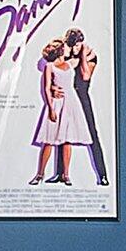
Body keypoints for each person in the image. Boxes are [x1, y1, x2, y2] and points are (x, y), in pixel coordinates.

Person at [29, 39, 90, 183]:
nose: (67, 49)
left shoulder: (70, 64)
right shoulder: (50, 66)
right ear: (60, 50)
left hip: (71, 102)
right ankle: (40, 174)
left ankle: (66, 175)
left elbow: (83, 63)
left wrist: (81, 49)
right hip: (57, 104)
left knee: (68, 140)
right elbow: (46, 87)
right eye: (65, 48)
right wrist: (50, 107)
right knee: (49, 140)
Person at [59, 26, 106, 183]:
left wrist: (83, 56)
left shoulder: (90, 56)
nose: (76, 48)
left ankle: (102, 175)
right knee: (62, 134)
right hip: (66, 96)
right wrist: (65, 53)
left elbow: (86, 75)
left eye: (79, 45)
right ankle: (61, 173)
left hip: (81, 96)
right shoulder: (66, 55)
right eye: (74, 45)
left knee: (93, 134)